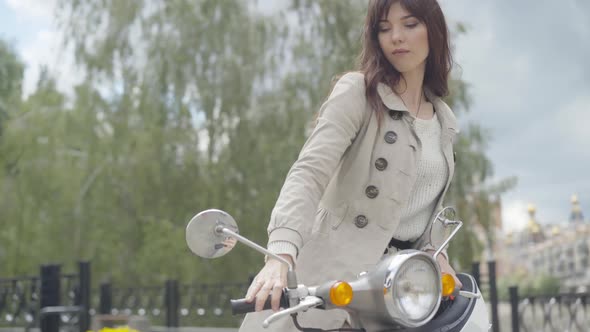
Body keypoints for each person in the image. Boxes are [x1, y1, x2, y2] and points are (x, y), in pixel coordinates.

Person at [240, 0, 461, 330]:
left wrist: (436, 253)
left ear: (435, 31)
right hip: (328, 284)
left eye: (410, 24)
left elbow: (422, 207)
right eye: (384, 29)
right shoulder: (360, 92)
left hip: (395, 295)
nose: (396, 37)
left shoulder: (445, 120)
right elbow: (309, 173)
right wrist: (280, 256)